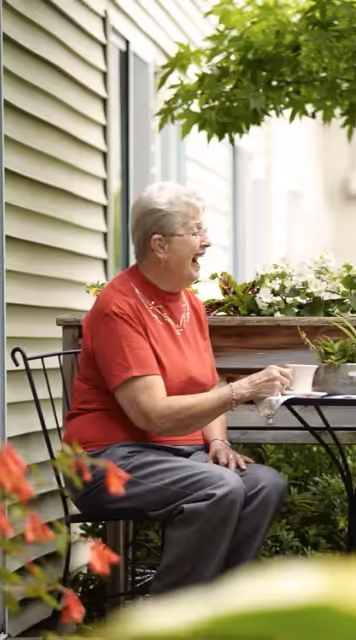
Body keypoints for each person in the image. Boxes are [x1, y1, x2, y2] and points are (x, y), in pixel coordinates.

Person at [63, 182, 293, 594]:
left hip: (176, 453)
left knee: (264, 484)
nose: (207, 242)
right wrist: (241, 391)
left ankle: (214, 613)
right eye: (196, 232)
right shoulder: (120, 309)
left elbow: (205, 386)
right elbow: (150, 414)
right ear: (160, 245)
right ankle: (167, 623)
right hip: (107, 460)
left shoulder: (190, 303)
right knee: (217, 488)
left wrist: (217, 442)